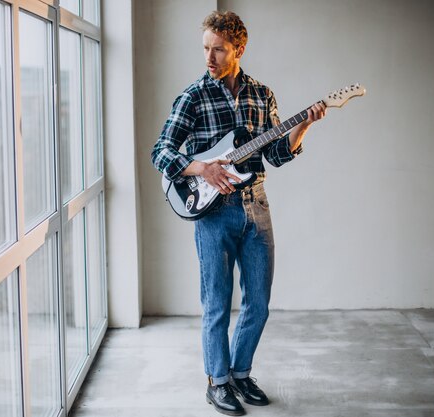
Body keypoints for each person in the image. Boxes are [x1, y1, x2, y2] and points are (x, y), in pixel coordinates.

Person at [151, 11, 326, 416]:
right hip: (213, 213)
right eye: (206, 49)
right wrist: (204, 169)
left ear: (239, 49)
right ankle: (217, 382)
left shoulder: (262, 95)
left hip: (256, 206)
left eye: (218, 50)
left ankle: (240, 373)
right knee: (216, 303)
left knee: (258, 303)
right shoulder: (193, 96)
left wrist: (306, 126)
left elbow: (277, 154)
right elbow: (161, 152)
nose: (209, 58)